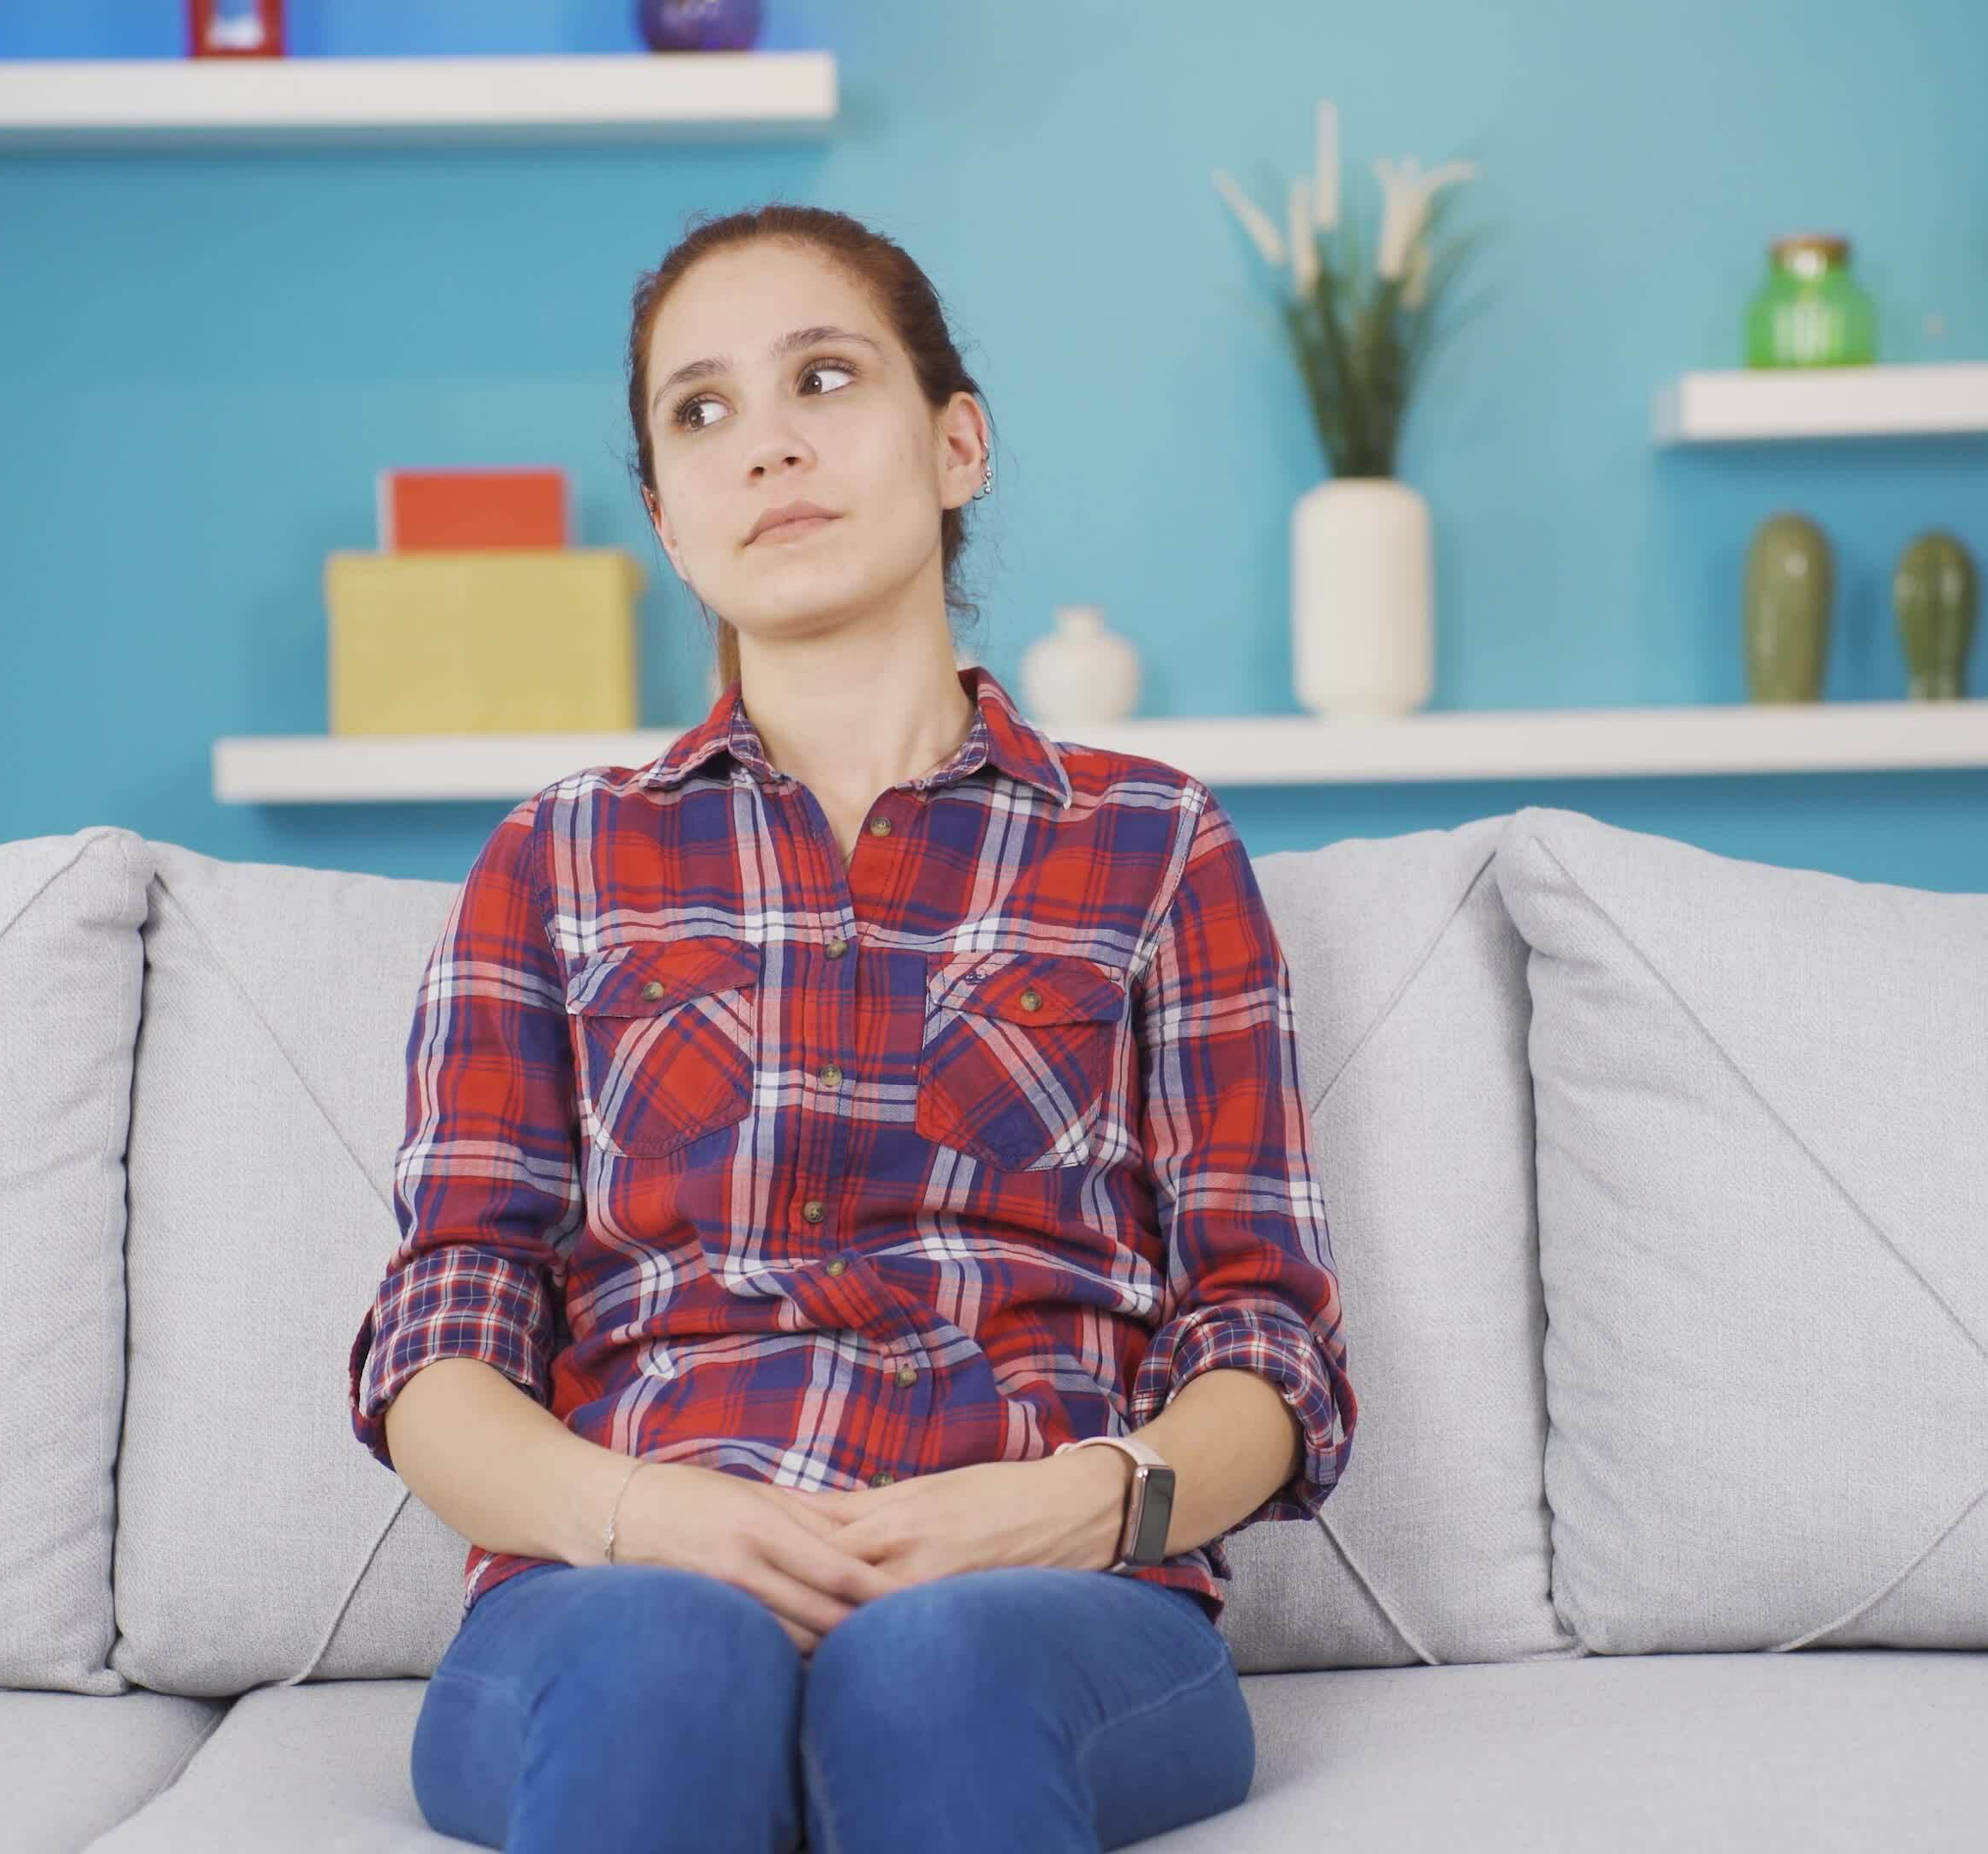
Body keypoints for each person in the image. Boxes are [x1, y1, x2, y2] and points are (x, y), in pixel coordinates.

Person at [344, 202, 1359, 1854]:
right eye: (702, 412)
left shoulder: (1155, 846)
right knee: (668, 1658)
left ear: (957, 445)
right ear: (669, 521)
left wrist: (1082, 1504)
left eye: (825, 379)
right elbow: (442, 1339)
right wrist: (636, 1515)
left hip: (1044, 1594)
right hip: (614, 1587)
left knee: (933, 1672)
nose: (768, 449)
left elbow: (1265, 1331)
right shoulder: (556, 859)